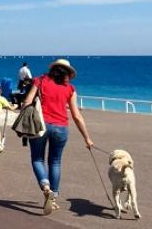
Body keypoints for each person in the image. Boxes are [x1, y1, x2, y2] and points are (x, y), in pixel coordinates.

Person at [23, 58, 94, 215]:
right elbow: (76, 116)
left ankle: (45, 186)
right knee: (55, 161)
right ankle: (53, 197)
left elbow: (27, 102)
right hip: (61, 127)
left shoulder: (40, 81)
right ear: (68, 73)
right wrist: (87, 138)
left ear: (52, 69)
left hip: (40, 125)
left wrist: (23, 115)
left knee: (37, 159)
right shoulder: (70, 89)